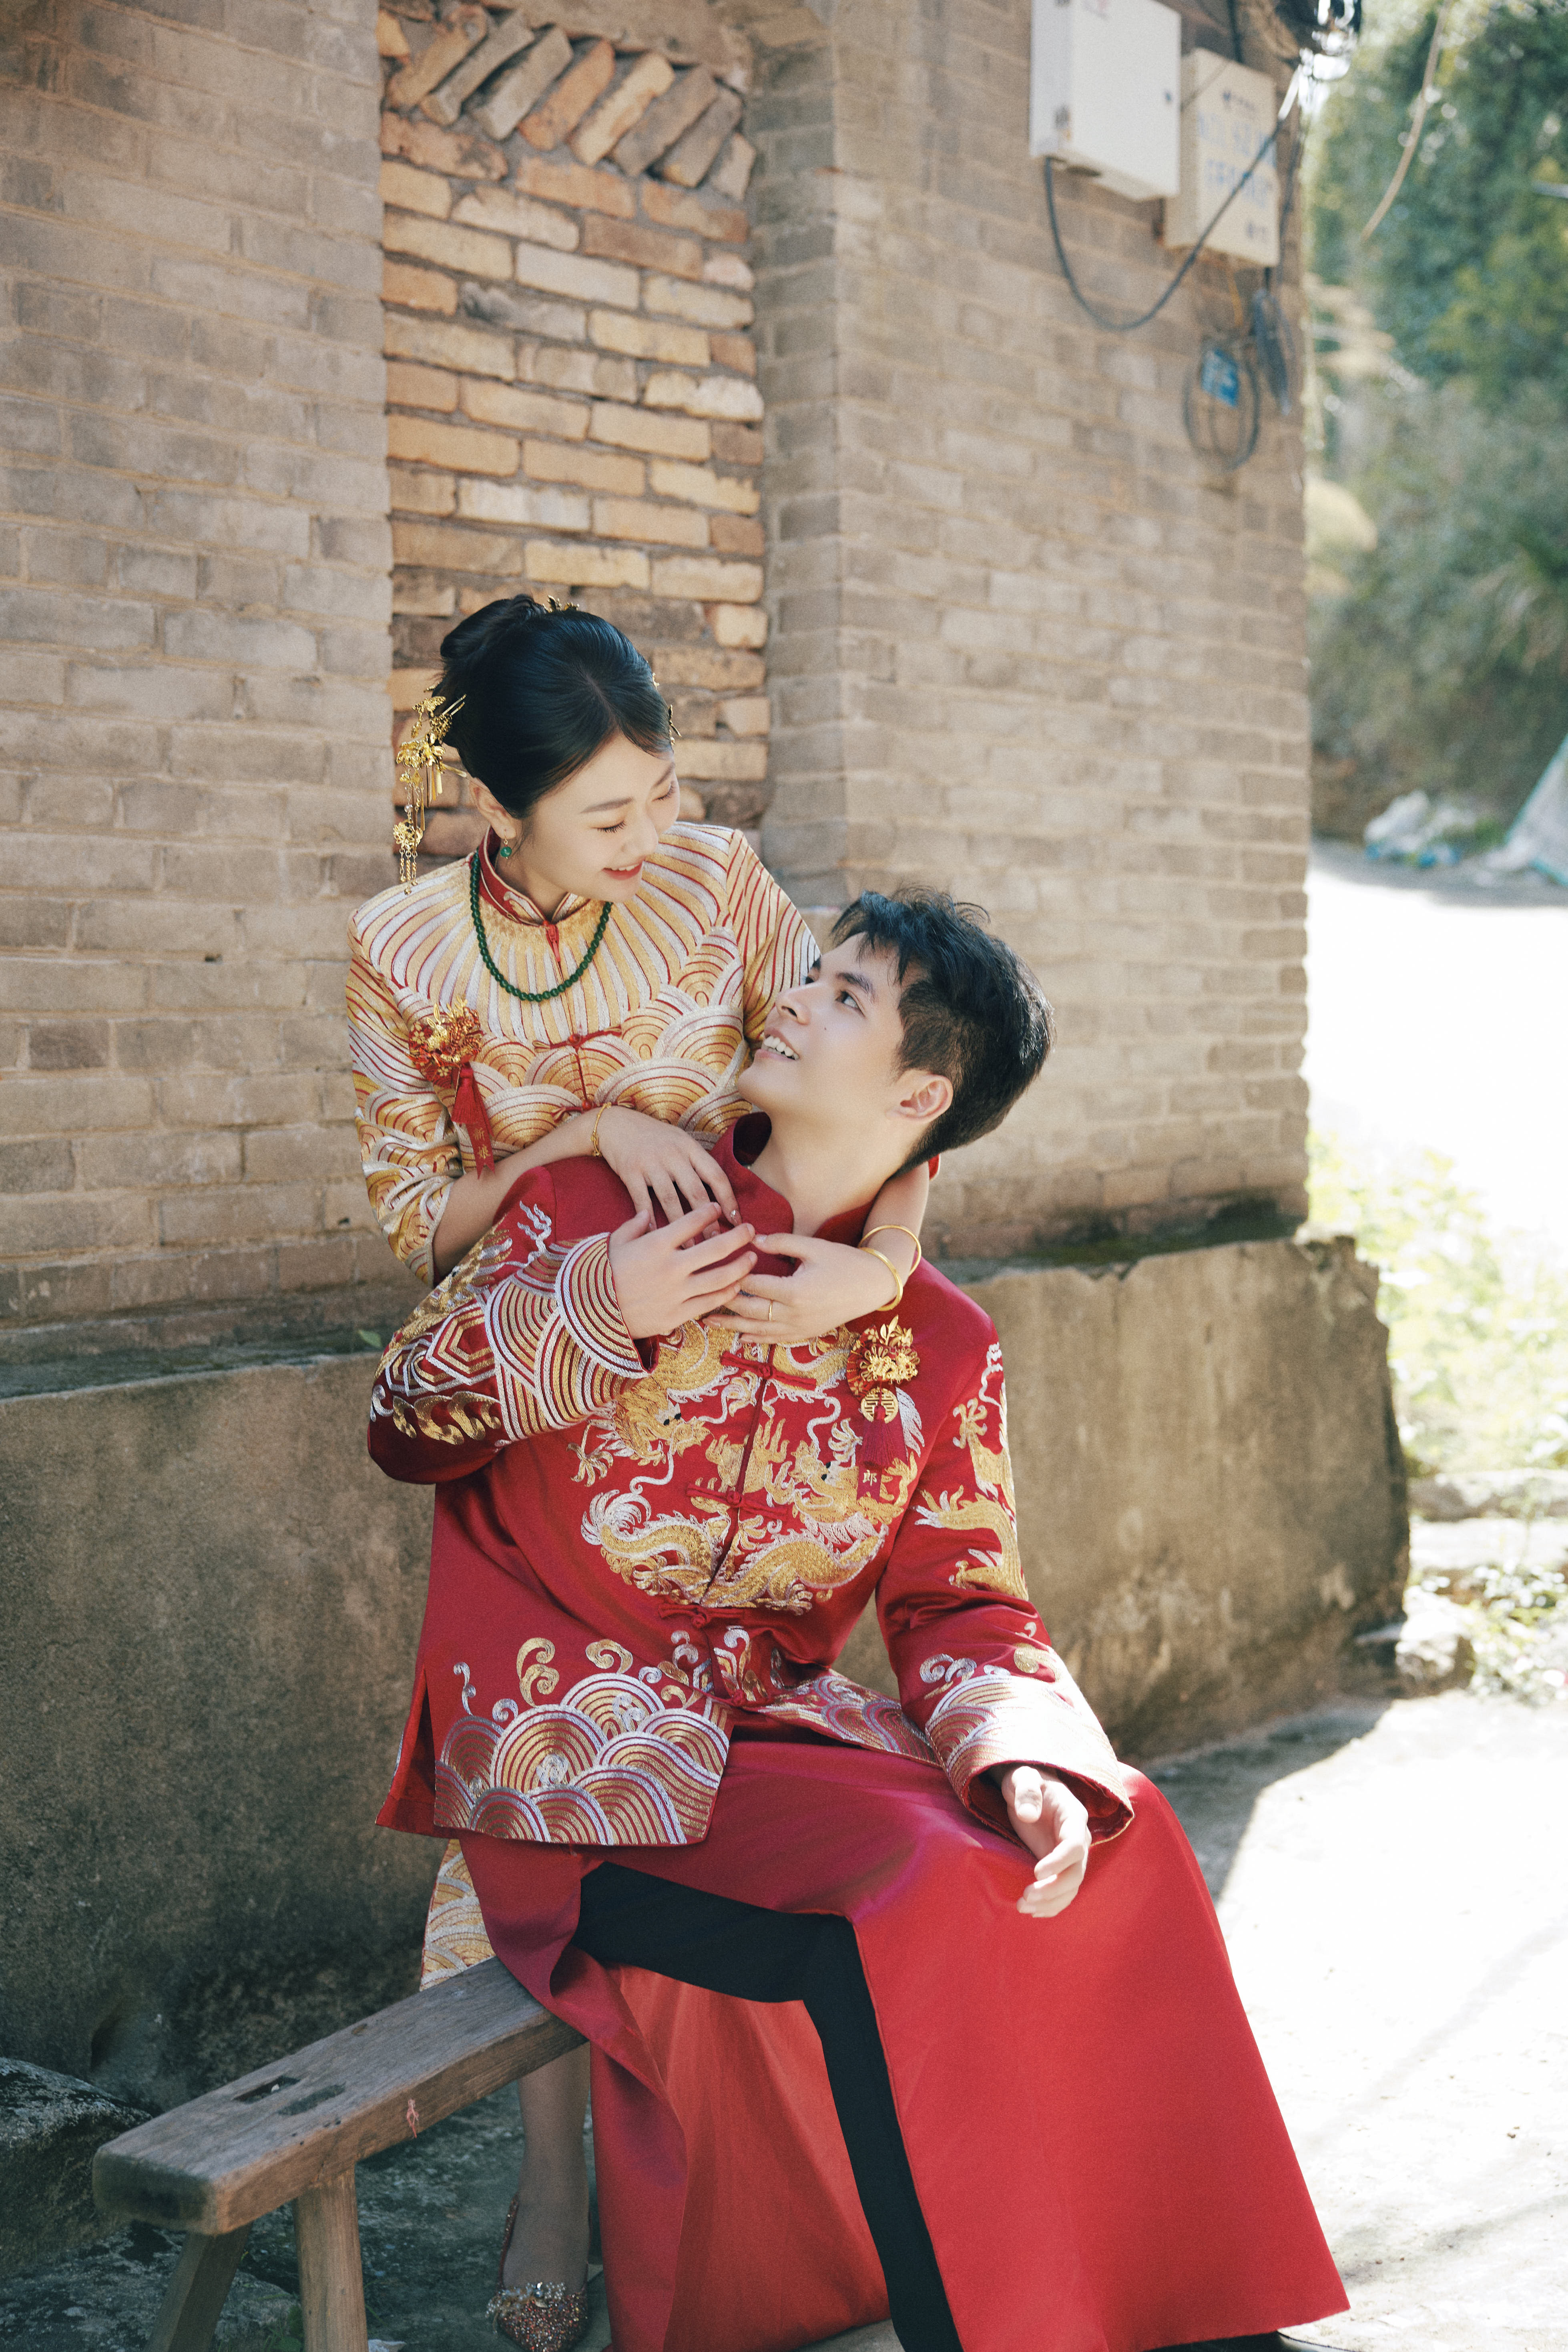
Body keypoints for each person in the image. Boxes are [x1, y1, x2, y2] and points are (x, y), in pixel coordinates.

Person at [367, 888, 1349, 2352]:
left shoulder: (939, 1340)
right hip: (574, 1748)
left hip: (776, 1746)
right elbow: (400, 1422)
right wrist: (599, 1304)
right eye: (813, 976)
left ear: (919, 1095)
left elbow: (965, 1597)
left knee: (1118, 1829)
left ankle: (1196, 2318)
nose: (793, 1001)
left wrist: (1026, 1753)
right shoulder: (599, 1215)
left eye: (843, 997)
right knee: (927, 1878)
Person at [345, 594, 929, 2331]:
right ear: (492, 804)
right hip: (538, 1387)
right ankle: (554, 2176)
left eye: (664, 790)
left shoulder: (721, 882)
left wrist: (889, 1267)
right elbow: (410, 1221)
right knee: (537, 1772)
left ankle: (734, 2165)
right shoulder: (403, 946)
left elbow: (886, 1072)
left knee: (720, 1764)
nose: (652, 834)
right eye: (609, 812)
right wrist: (585, 1135)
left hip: (734, 1382)